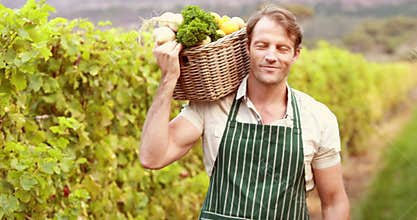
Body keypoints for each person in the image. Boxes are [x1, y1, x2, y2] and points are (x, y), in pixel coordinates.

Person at [140, 6, 350, 220]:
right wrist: (168, 79)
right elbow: (152, 157)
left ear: (295, 54)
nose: (271, 56)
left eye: (282, 48)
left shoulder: (318, 117)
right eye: (262, 45)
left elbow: (334, 201)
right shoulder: (211, 106)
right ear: (247, 47)